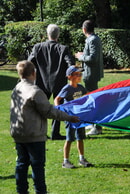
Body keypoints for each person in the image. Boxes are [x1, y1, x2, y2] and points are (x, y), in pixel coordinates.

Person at [10, 60, 80, 194]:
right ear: (33, 73)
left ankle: (21, 191)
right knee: (37, 167)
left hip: (19, 132)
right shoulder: (35, 91)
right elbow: (49, 111)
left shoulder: (17, 89)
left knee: (21, 165)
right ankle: (40, 191)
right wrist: (69, 117)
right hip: (33, 135)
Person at [28, 24, 75, 140]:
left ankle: (38, 131)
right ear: (58, 35)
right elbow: (70, 63)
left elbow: (29, 62)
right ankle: (55, 132)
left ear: (47, 34)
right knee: (57, 107)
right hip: (58, 82)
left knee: (39, 108)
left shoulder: (37, 47)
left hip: (41, 82)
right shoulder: (63, 49)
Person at [55, 66, 93, 168]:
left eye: (80, 74)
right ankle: (65, 161)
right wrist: (59, 110)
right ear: (69, 77)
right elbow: (57, 99)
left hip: (79, 117)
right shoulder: (67, 88)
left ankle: (82, 159)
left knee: (80, 138)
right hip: (70, 118)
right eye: (77, 74)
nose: (79, 76)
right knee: (69, 138)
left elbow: (87, 96)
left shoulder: (81, 87)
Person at [75, 20, 104, 135]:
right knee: (90, 99)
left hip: (91, 74)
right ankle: (92, 124)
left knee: (93, 101)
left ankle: (97, 127)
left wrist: (81, 57)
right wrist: (84, 55)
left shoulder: (93, 40)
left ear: (84, 29)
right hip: (90, 74)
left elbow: (93, 58)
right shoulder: (93, 39)